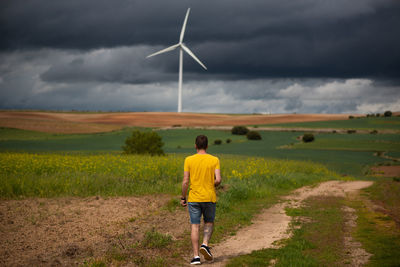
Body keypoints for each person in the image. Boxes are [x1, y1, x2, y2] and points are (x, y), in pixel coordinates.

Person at [181, 135, 222, 265]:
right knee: (209, 222)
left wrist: (183, 197)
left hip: (194, 198)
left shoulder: (188, 160)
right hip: (209, 197)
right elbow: (218, 180)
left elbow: (186, 181)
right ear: (207, 146)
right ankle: (205, 244)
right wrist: (211, 184)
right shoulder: (214, 159)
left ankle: (196, 257)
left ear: (195, 146)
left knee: (195, 226)